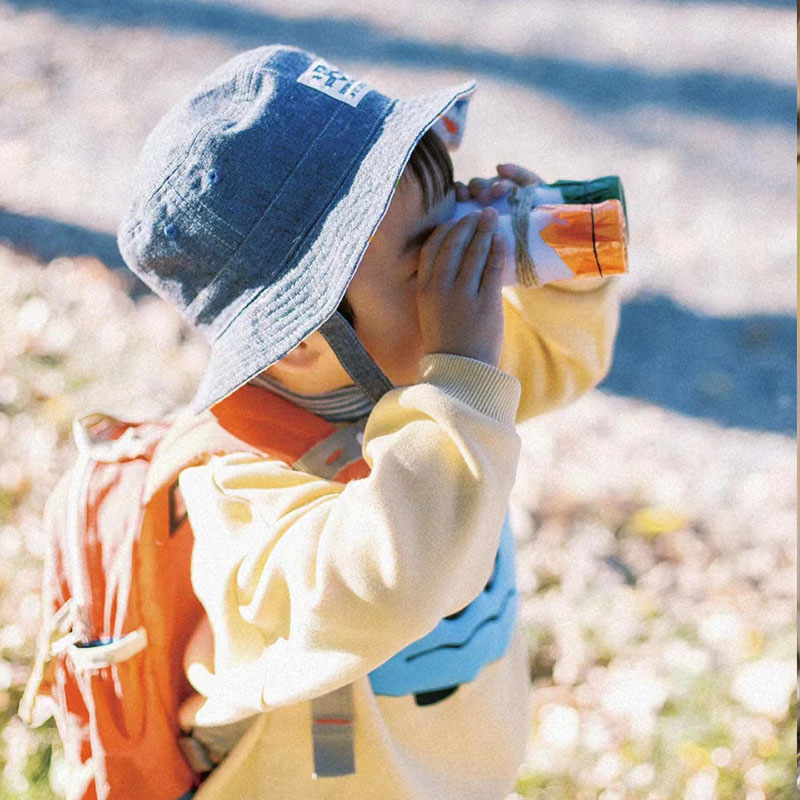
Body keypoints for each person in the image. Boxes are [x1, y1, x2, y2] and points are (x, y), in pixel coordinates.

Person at [117, 44, 621, 800]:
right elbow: (392, 578)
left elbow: (556, 364)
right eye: (432, 261)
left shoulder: (420, 369)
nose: (470, 259)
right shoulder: (246, 491)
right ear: (301, 342)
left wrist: (557, 268)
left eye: (458, 213)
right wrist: (459, 374)